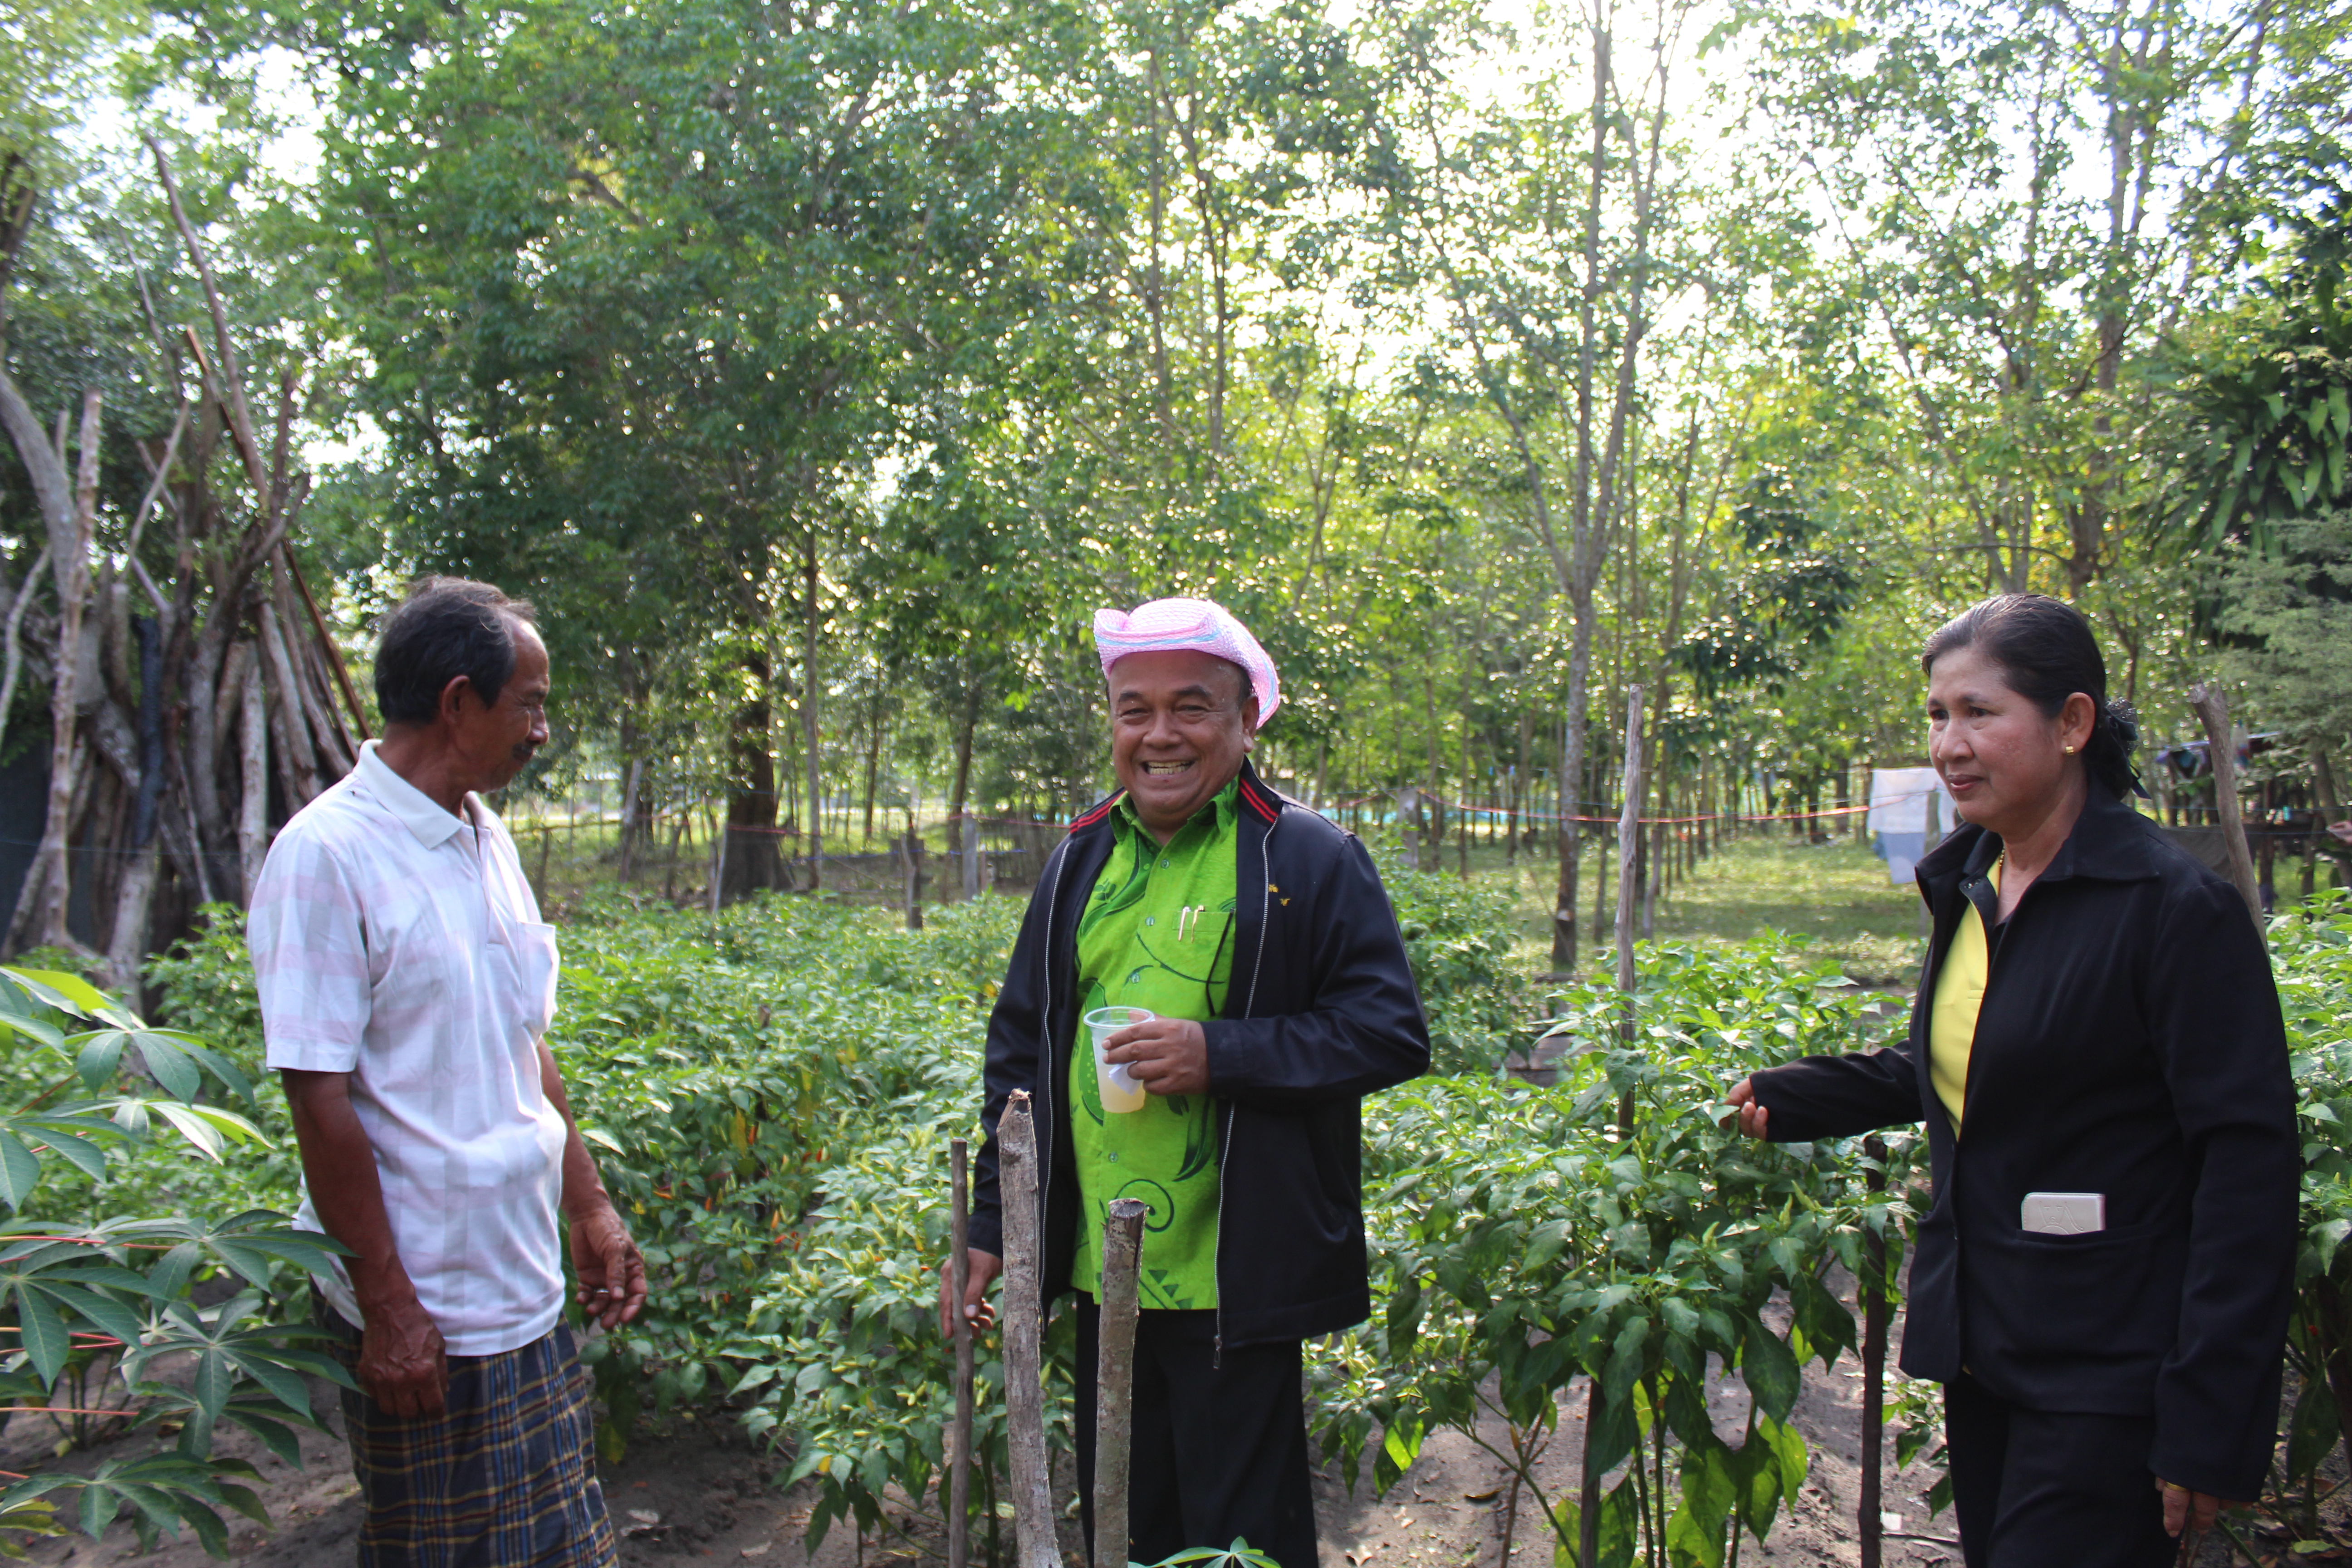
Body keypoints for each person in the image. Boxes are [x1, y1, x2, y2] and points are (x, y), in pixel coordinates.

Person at [1724, 594, 2296, 1568]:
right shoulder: (1979, 885)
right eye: (1940, 715)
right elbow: (1976, 1058)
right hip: (1987, 1346)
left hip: (2113, 1366)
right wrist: (1802, 1096)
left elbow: (2249, 1170)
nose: (1951, 744)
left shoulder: (2172, 909)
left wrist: (2211, 1419)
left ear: (2073, 724)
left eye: (1981, 713)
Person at [938, 597, 1431, 1568]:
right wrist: (999, 1226)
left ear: (1247, 720)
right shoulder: (1080, 859)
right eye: (1135, 710)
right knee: (1128, 1518)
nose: (1160, 734)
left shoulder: (1306, 857)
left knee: (1240, 1541)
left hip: (1232, 1272)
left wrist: (1221, 1054)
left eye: (1192, 707)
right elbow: (1019, 1051)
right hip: (1098, 1268)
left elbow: (1387, 1034)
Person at [250, 578, 647, 1567]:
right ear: (459, 701)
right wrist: (388, 1306)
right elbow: (320, 1097)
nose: (542, 731)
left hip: (523, 1290)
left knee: (563, 1549)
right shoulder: (327, 857)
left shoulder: (483, 833)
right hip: (427, 1312)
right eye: (531, 704)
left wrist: (587, 1207)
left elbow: (523, 1038)